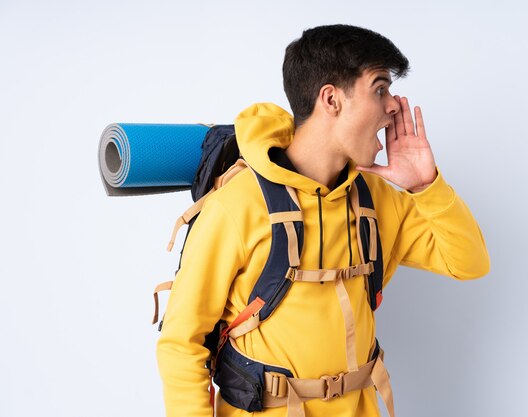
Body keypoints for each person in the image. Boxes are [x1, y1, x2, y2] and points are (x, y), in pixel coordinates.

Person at [157, 24, 490, 417]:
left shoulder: (376, 200)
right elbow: (181, 343)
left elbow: (469, 263)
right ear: (331, 98)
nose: (394, 106)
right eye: (380, 88)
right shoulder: (240, 205)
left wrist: (426, 186)